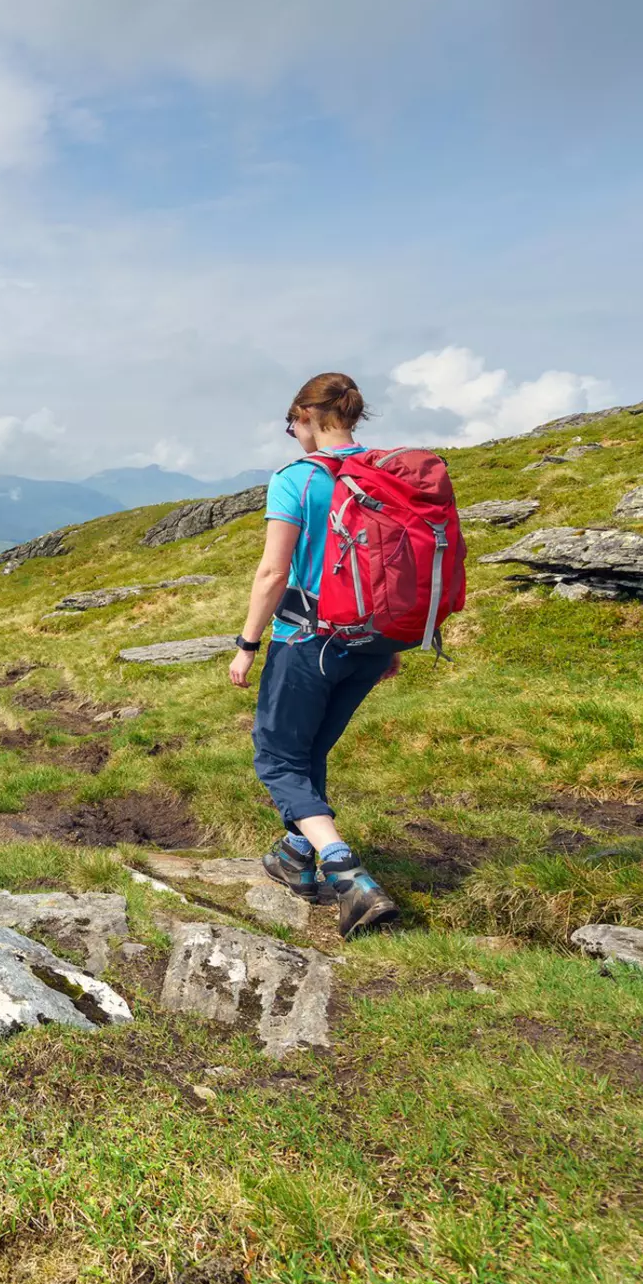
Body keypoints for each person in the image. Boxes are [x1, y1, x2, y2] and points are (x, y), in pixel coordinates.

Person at [227, 373, 402, 938]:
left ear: (307, 416)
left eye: (292, 424)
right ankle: (296, 855)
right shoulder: (386, 472)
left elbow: (274, 571)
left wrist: (248, 644)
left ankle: (348, 874)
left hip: (310, 640)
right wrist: (390, 640)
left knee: (277, 758)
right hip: (374, 642)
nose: (292, 434)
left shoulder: (298, 480)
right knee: (310, 749)